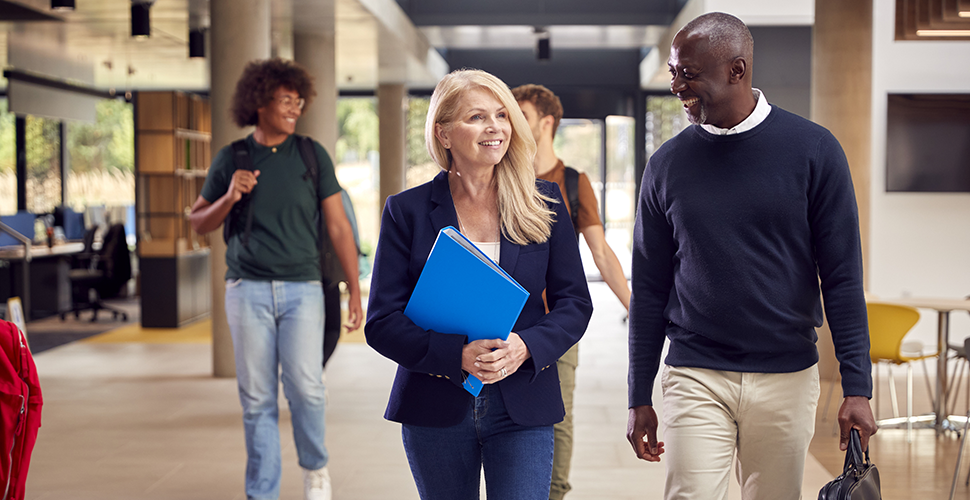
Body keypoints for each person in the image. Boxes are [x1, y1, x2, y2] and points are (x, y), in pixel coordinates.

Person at [625, 12, 877, 500]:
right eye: (675, 71)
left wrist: (857, 386)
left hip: (786, 374)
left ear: (736, 70)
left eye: (688, 72)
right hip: (695, 370)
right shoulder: (666, 166)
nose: (676, 85)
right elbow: (650, 286)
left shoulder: (815, 151)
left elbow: (842, 279)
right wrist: (638, 396)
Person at [365, 69, 593, 500]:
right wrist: (458, 355)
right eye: (476, 117)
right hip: (435, 404)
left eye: (502, 115)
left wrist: (526, 346)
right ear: (444, 134)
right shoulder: (406, 211)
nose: (495, 127)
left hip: (522, 403)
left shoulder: (545, 203)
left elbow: (574, 303)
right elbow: (381, 321)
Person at [189, 58, 363, 500]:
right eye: (285, 100)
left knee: (306, 387)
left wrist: (355, 290)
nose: (294, 108)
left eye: (298, 100)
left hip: (303, 289)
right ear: (258, 102)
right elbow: (198, 222)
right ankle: (261, 491)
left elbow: (340, 227)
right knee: (257, 398)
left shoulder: (310, 154)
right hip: (246, 290)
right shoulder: (233, 157)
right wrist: (230, 195)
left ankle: (316, 469)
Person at [512, 83, 631, 500]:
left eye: (520, 116)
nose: (510, 125)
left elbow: (600, 251)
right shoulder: (501, 176)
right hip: (500, 326)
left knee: (557, 421)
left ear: (547, 123)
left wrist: (637, 310)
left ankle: (554, 494)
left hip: (554, 328)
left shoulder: (574, 183)